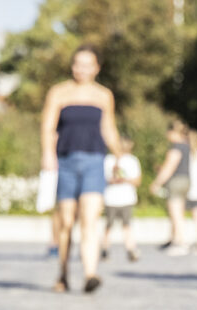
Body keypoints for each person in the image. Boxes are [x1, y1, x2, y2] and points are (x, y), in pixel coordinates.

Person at [41, 44, 122, 293]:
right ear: (72, 66)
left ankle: (90, 273)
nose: (82, 69)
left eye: (88, 65)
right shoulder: (59, 93)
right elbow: (47, 126)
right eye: (78, 64)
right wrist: (47, 154)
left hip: (94, 161)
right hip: (65, 161)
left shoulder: (103, 95)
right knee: (66, 221)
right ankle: (63, 274)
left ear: (96, 68)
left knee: (90, 218)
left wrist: (119, 155)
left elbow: (108, 127)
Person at [150, 119, 192, 256]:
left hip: (176, 182)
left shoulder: (176, 147)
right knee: (179, 212)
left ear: (172, 132)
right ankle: (174, 239)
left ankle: (179, 242)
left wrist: (157, 183)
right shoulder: (187, 145)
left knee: (175, 214)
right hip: (185, 180)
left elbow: (169, 167)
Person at [101, 136, 142, 262]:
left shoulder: (132, 160)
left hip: (126, 198)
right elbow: (102, 178)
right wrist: (112, 180)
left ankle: (130, 248)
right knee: (109, 225)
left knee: (126, 225)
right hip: (111, 198)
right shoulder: (108, 160)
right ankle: (105, 249)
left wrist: (124, 179)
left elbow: (137, 181)